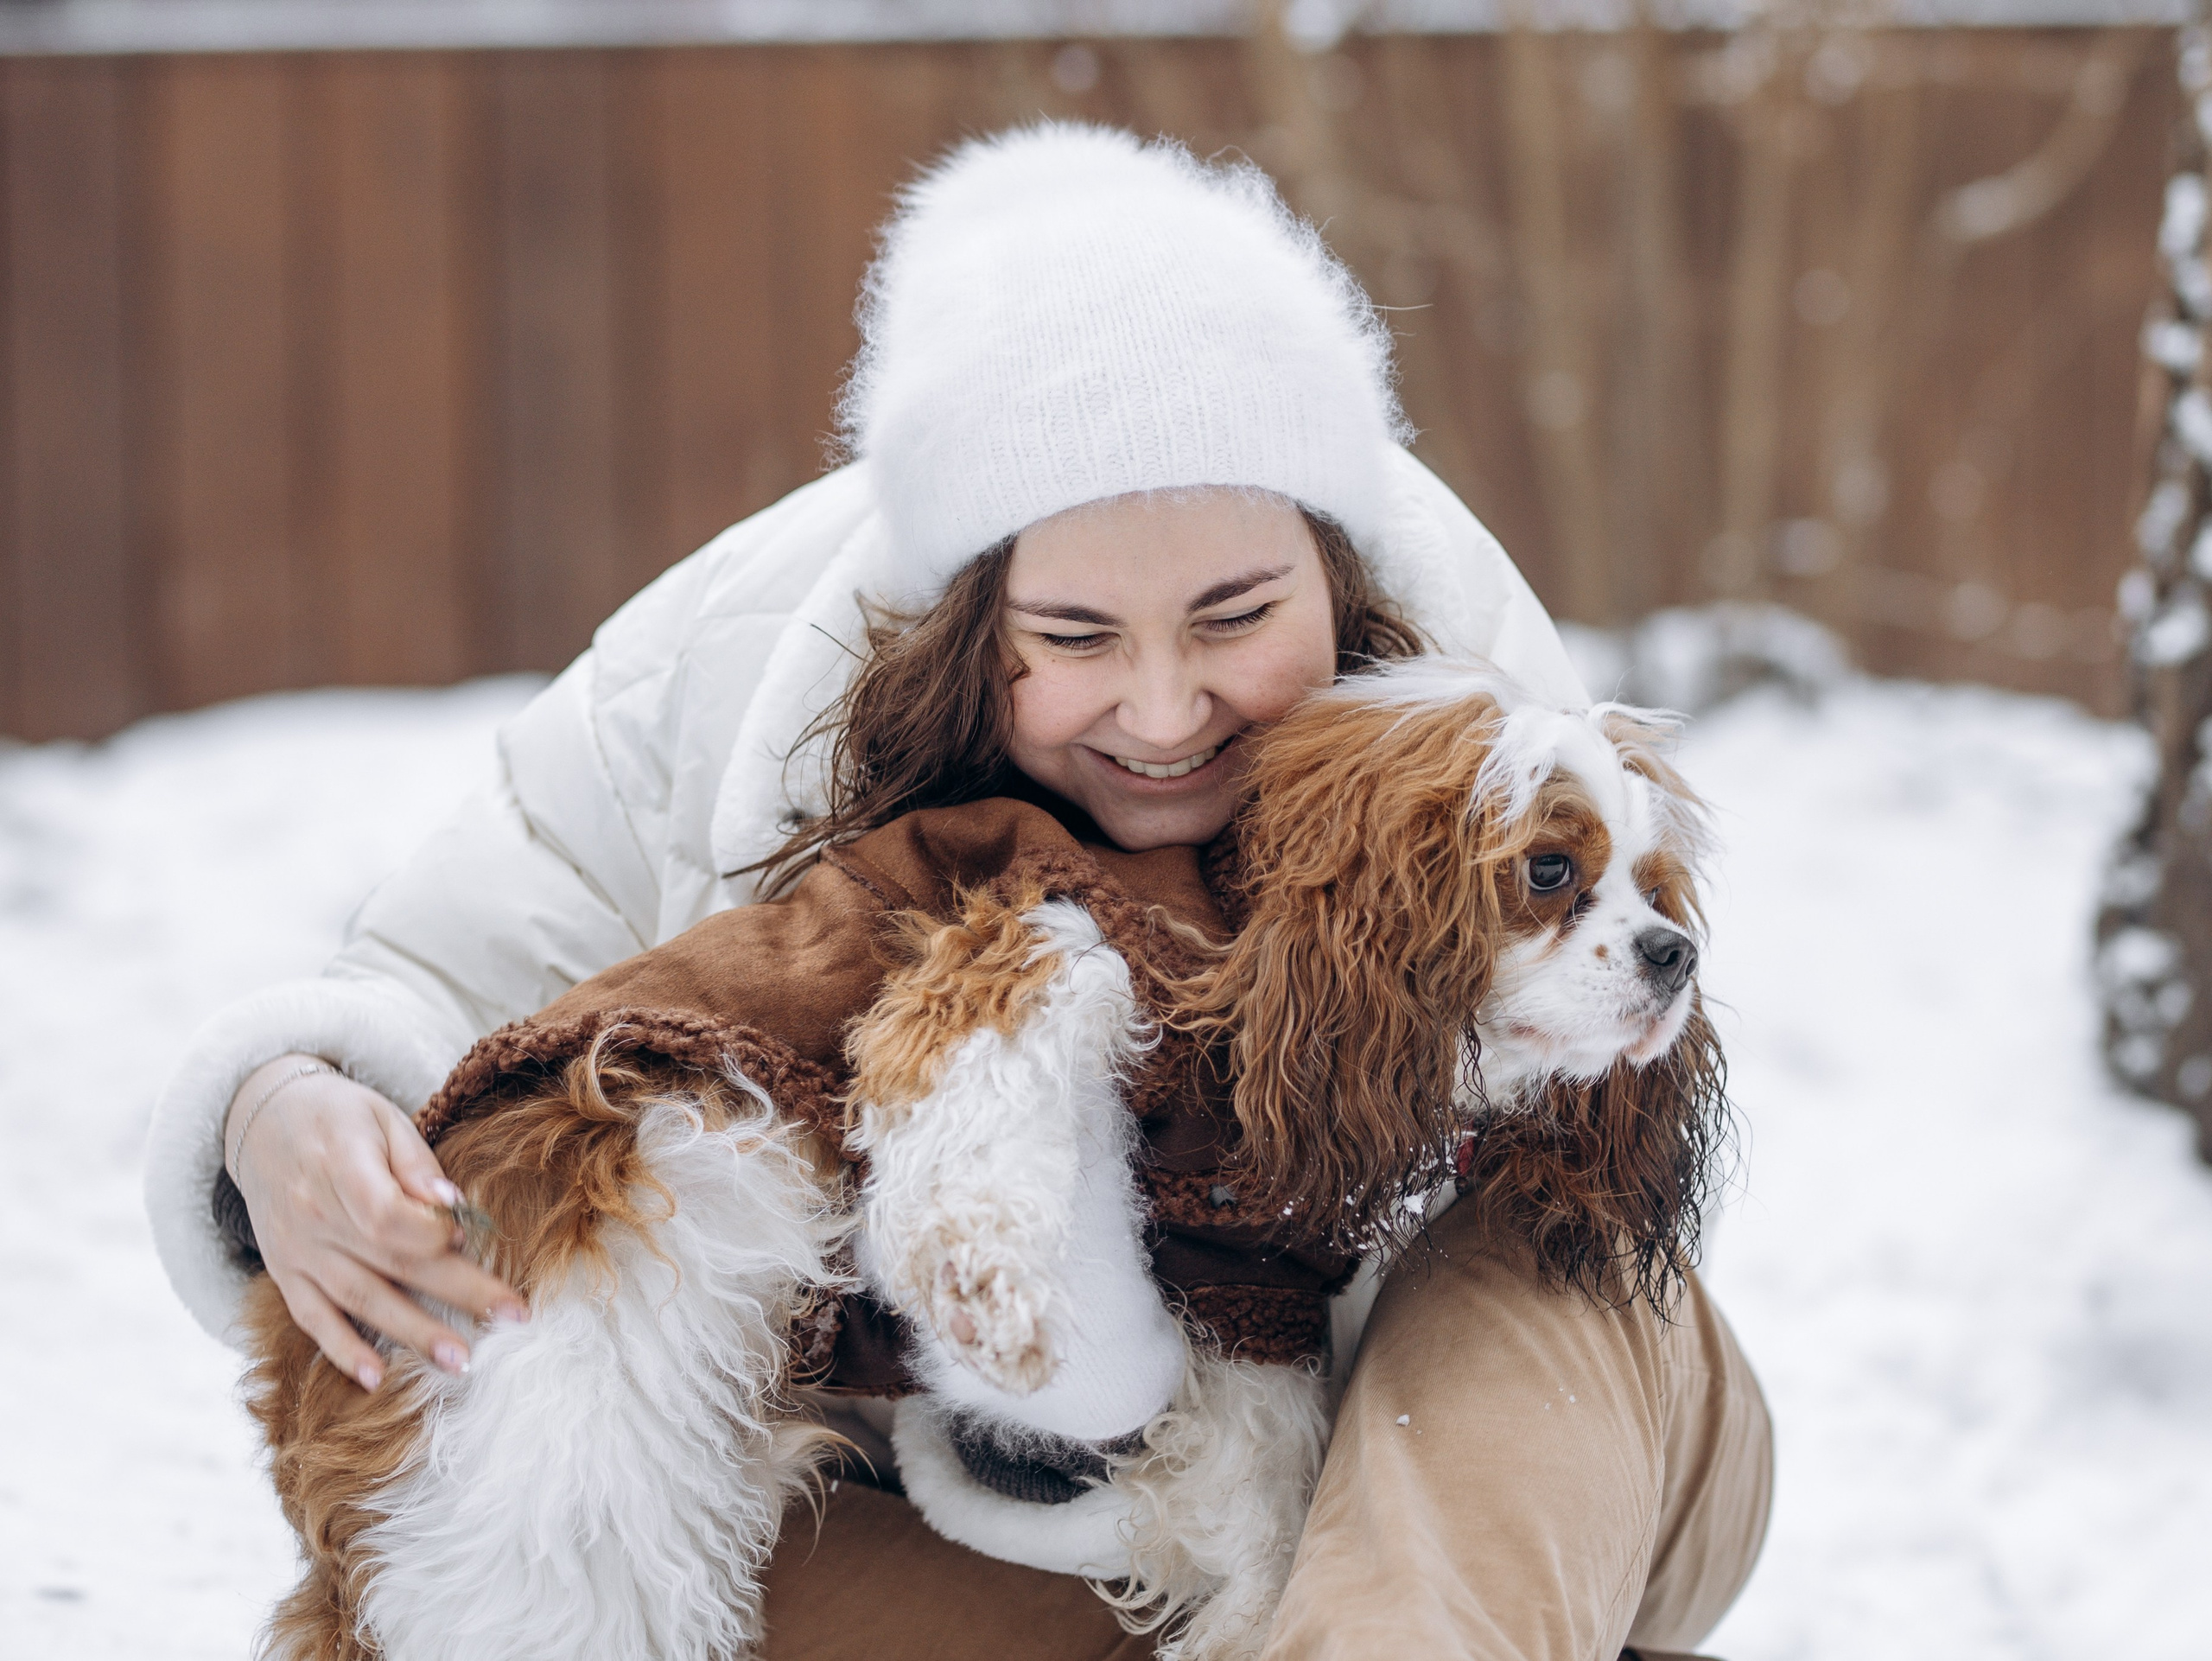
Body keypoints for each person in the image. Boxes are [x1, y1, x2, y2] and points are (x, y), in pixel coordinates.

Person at [146, 124, 1770, 1659]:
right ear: (964, 621)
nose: (1162, 707)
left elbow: (1592, 1087)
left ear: (1332, 567)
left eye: (1235, 617)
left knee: (1501, 1293)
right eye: (1075, 638)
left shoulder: (1471, 671)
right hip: (1019, 1513)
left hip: (1502, 1401)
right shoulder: (729, 661)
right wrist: (280, 1108)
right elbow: (448, 986)